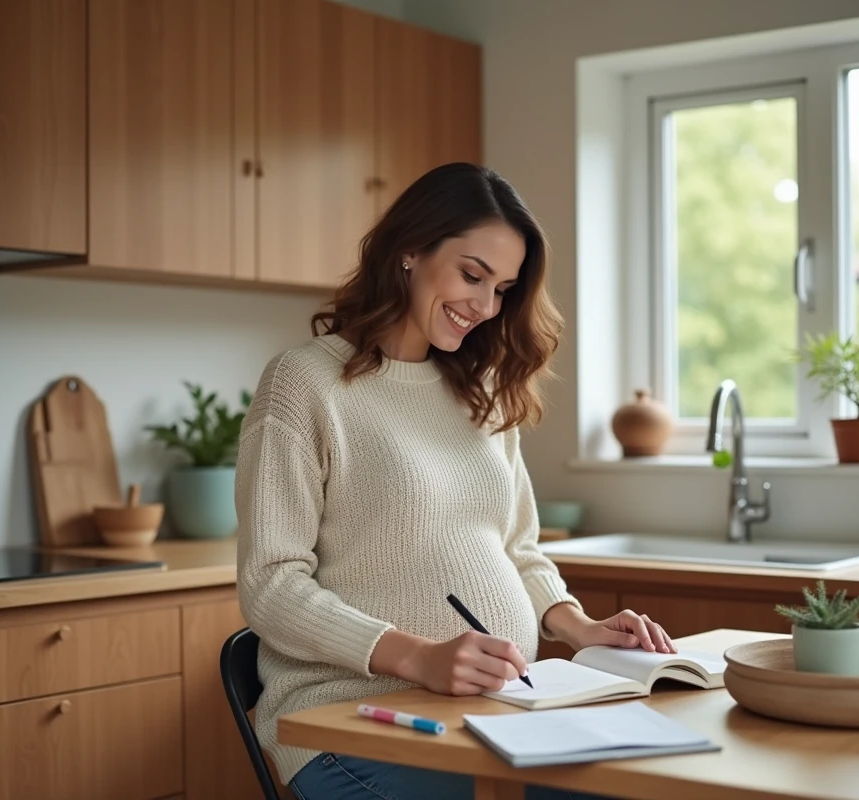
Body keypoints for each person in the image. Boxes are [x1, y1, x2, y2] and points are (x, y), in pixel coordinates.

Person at [236, 162, 677, 800]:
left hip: (492, 717)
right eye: (472, 274)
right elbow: (270, 585)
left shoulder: (483, 391)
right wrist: (418, 656)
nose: (485, 305)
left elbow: (517, 547)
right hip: (353, 725)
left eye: (502, 288)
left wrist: (576, 625)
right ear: (409, 250)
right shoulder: (304, 384)